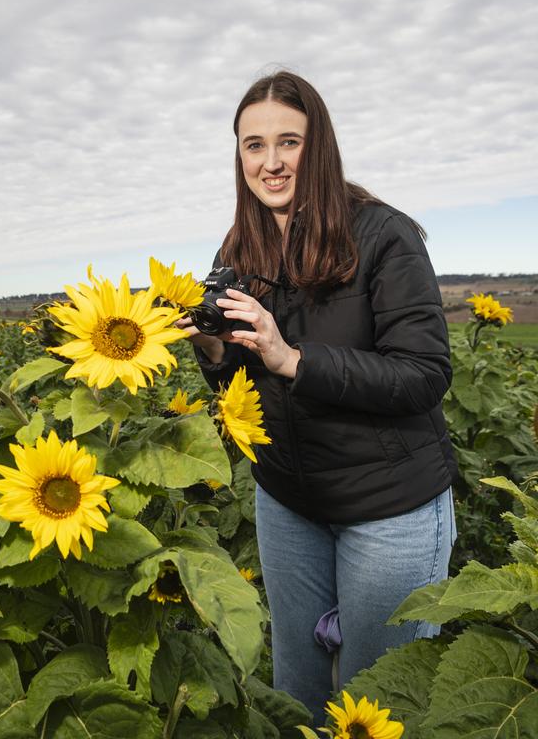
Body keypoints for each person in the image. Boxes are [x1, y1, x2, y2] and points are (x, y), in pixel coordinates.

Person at [179, 72, 458, 721]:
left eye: (288, 142)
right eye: (253, 145)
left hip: (388, 509)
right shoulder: (239, 248)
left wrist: (293, 359)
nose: (270, 162)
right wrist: (215, 353)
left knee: (375, 702)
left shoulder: (382, 237)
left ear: (320, 145)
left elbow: (423, 372)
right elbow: (240, 390)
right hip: (289, 505)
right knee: (296, 693)